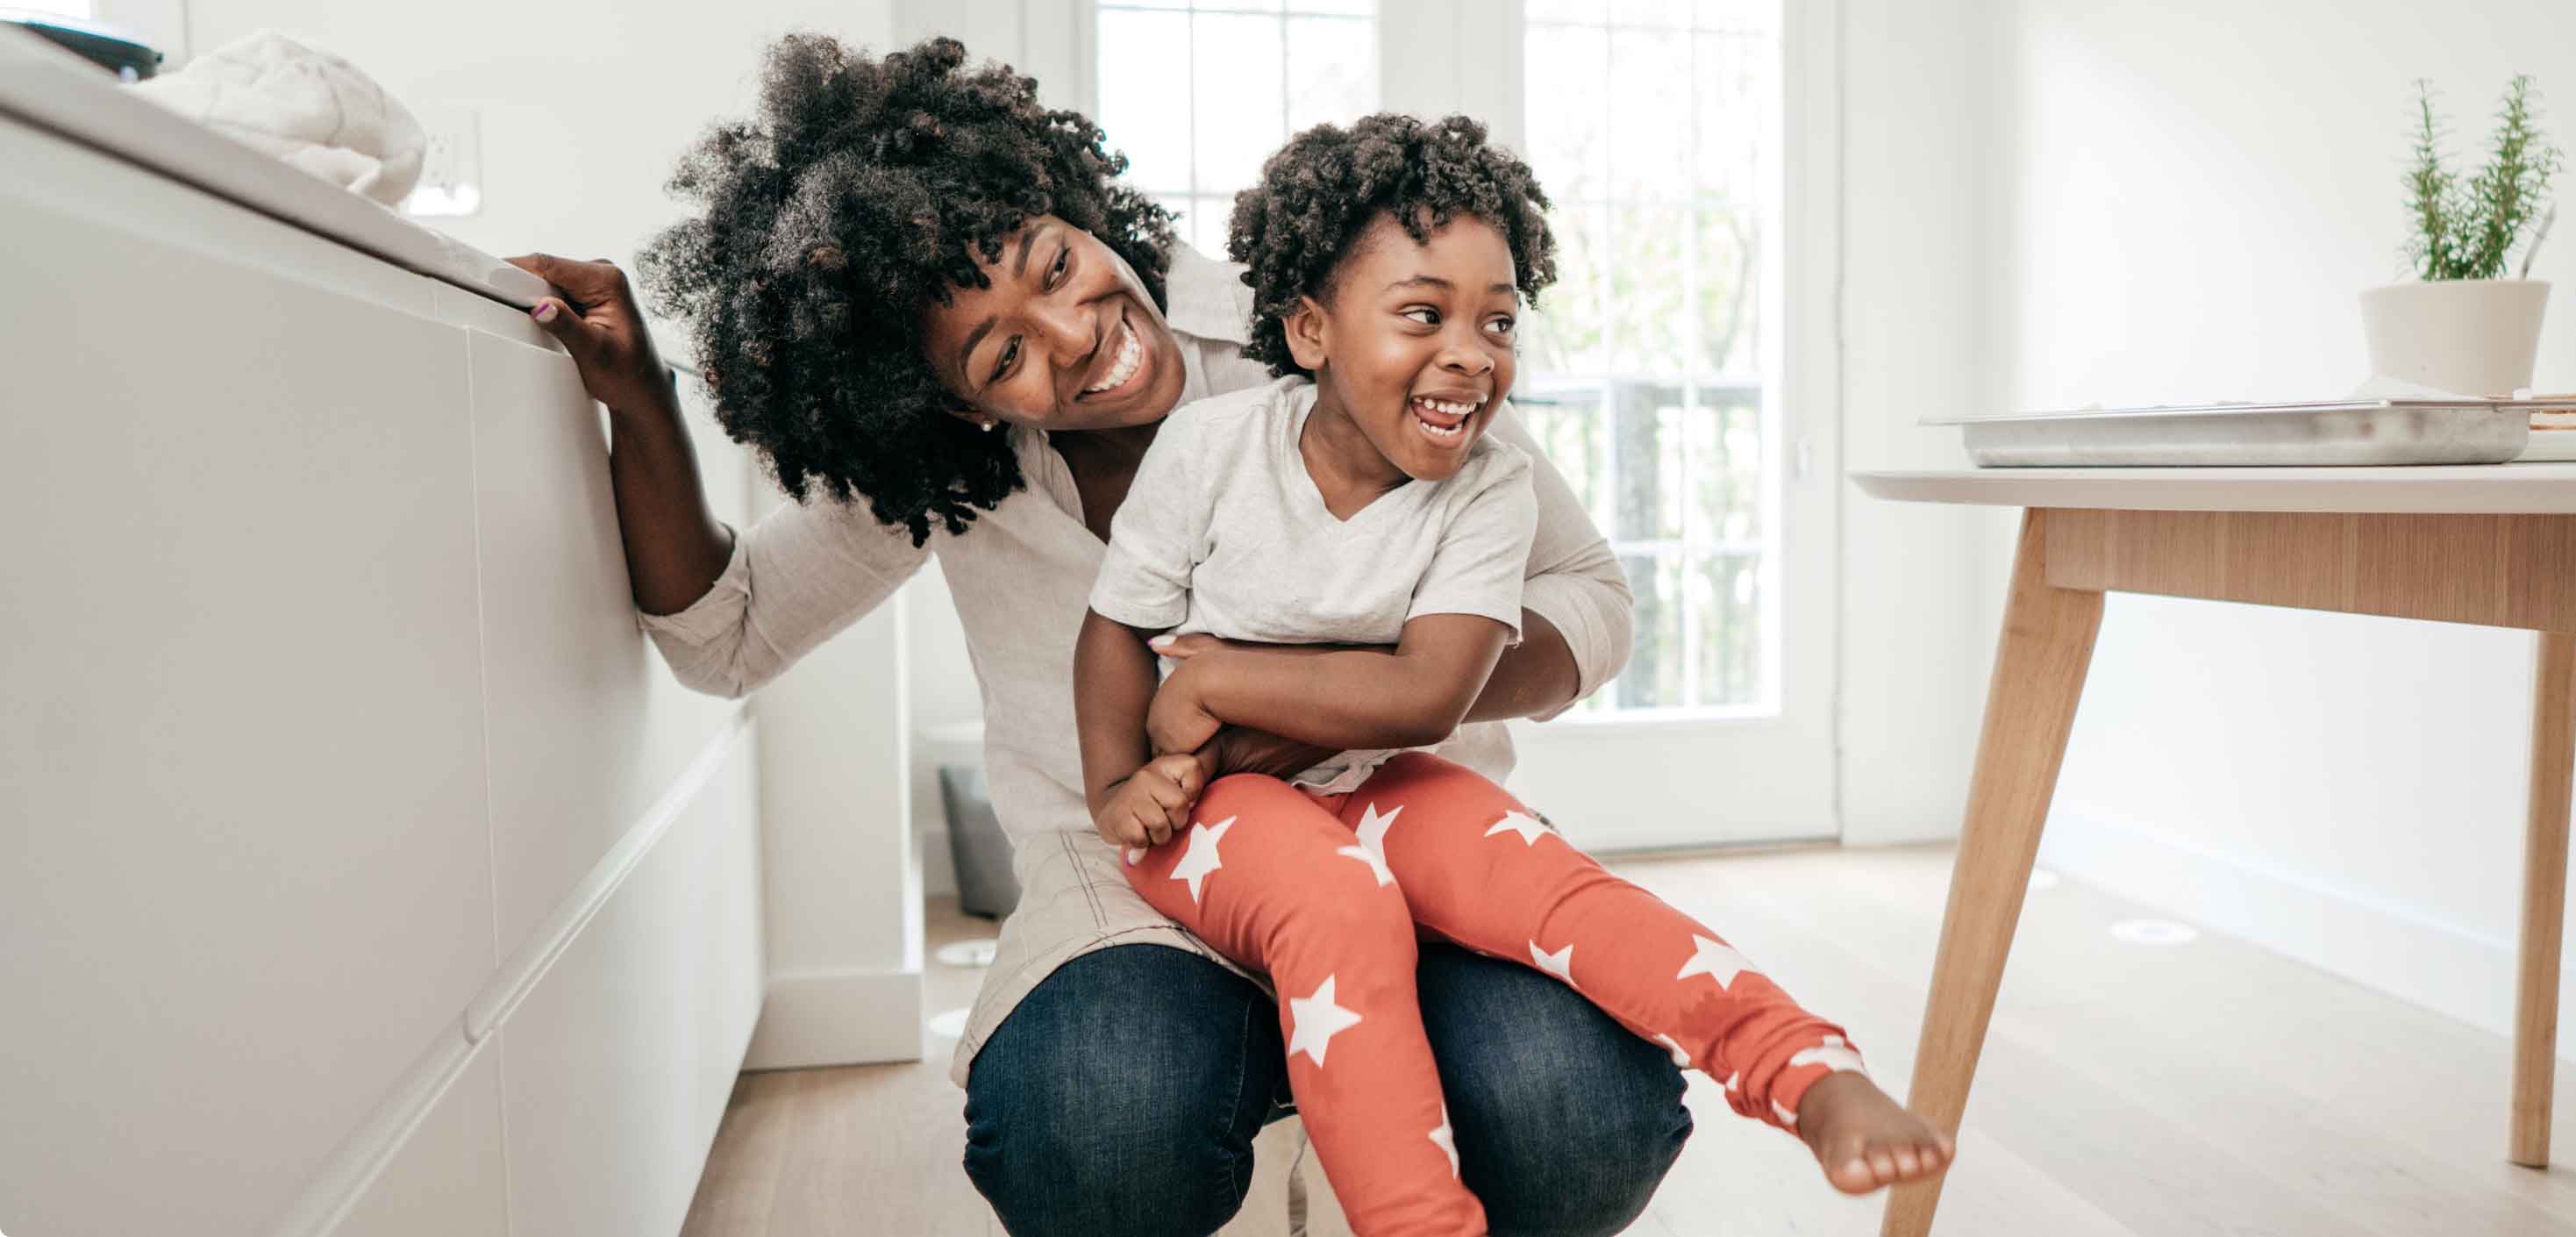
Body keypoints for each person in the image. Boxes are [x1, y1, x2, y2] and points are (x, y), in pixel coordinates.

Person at [506, 34, 1687, 1236]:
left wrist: (1391, 687)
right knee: (1096, 1127)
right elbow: (726, 637)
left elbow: (1590, 594)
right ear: (952, 408)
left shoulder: (1319, 329)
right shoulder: (952, 476)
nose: (1074, 335)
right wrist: (641, 399)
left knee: (1579, 1114)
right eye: (1004, 353)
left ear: (1077, 209)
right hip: (1143, 883)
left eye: (1054, 264)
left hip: (1408, 834)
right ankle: (1271, 1083)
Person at [1070, 113, 1952, 1235]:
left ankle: (1803, 1070)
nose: (1471, 352)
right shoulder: (1211, 452)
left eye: (1497, 321)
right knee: (1333, 901)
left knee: (1544, 877)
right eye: (1423, 314)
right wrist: (1115, 788)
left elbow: (1427, 695)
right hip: (1213, 806)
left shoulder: (1489, 485)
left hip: (1378, 775)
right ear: (1309, 332)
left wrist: (1216, 684)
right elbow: (1112, 632)